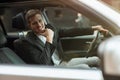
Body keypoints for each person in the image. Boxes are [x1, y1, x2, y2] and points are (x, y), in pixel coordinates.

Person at [14, 9, 109, 68]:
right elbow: (43, 63)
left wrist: (94, 28)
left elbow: (70, 31)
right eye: (34, 23)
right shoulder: (26, 42)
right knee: (85, 68)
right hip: (54, 70)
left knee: (97, 60)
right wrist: (49, 39)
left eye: (40, 21)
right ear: (29, 26)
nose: (39, 25)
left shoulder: (51, 29)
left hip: (63, 63)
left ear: (43, 20)